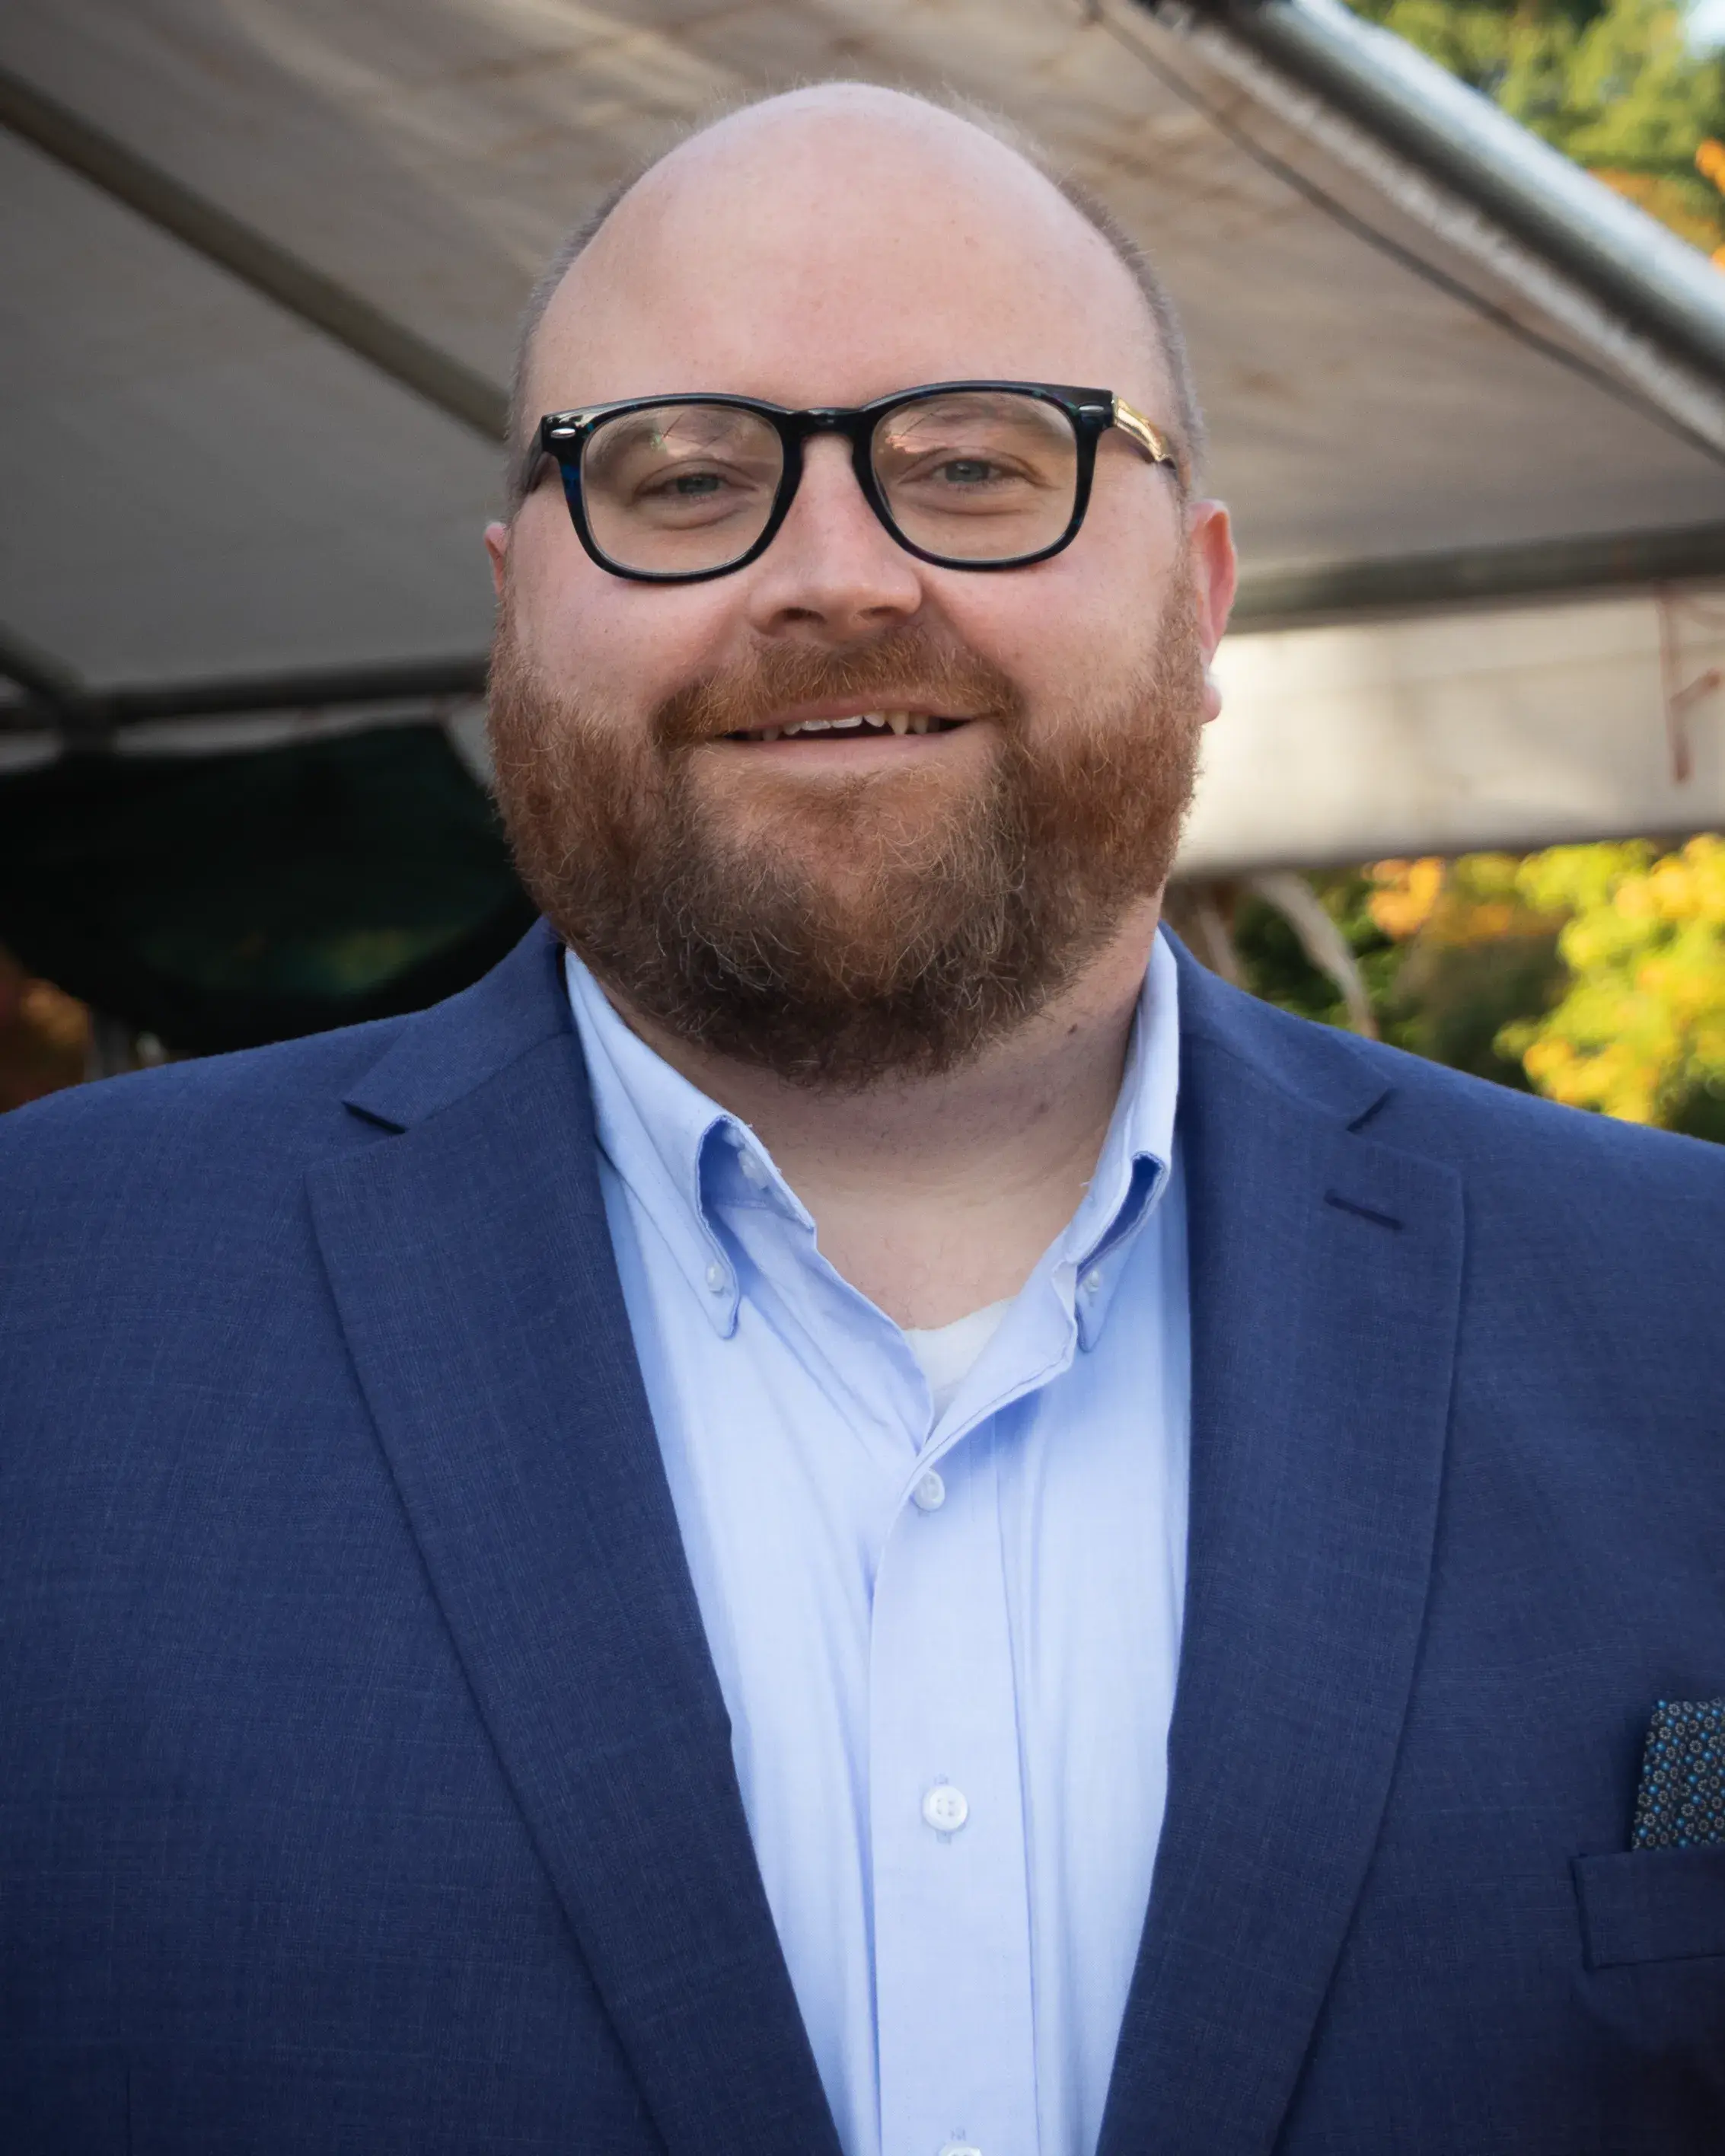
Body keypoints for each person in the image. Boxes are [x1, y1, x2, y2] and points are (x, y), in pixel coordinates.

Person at [2, 80, 1723, 2156]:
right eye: (685, 473)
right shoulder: (48, 1323)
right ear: (514, 594)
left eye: (981, 466)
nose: (836, 574)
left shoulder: (1683, 1321)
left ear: (1203, 598)